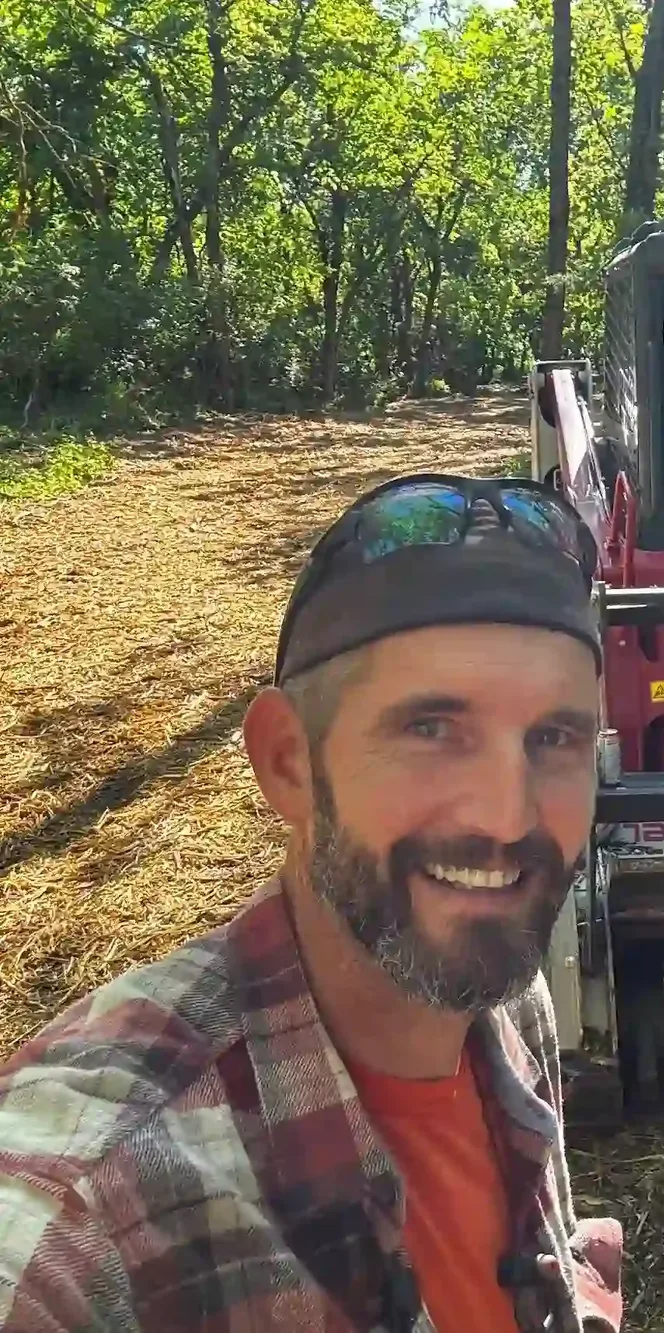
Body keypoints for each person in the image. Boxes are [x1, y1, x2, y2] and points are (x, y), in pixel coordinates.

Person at [0, 473, 624, 1333]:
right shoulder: (85, 1215)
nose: (507, 816)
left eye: (554, 738)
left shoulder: (502, 996)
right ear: (288, 761)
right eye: (432, 730)